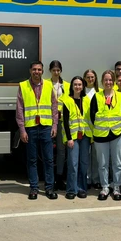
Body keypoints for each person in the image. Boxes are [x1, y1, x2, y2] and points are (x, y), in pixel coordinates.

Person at [16, 61, 59, 200]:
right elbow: (20, 109)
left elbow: (54, 106)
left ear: (42, 71)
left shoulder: (48, 85)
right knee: (32, 160)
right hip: (30, 128)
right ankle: (34, 188)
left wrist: (54, 126)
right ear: (30, 71)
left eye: (39, 69)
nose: (37, 72)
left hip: (46, 127)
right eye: (34, 69)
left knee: (48, 159)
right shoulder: (23, 85)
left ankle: (49, 188)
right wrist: (22, 130)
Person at [89, 70, 121, 201]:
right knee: (103, 163)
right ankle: (105, 187)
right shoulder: (97, 96)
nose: (108, 82)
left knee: (117, 163)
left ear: (114, 81)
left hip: (117, 134)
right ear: (102, 81)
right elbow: (92, 115)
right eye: (106, 80)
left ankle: (116, 187)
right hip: (101, 135)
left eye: (110, 80)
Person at [62, 76, 91, 199]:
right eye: (75, 84)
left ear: (83, 86)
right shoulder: (67, 100)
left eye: (80, 84)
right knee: (73, 164)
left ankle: (81, 188)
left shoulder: (87, 100)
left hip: (85, 136)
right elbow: (65, 122)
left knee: (84, 163)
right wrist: (69, 138)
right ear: (71, 86)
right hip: (72, 137)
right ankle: (71, 189)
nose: (77, 87)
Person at [47, 60, 70, 191]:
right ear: (50, 71)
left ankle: (60, 177)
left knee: (61, 151)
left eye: (58, 70)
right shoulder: (46, 84)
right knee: (48, 151)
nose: (56, 72)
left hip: (61, 120)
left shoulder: (66, 85)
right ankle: (49, 178)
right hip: (49, 120)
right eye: (54, 70)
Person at [83, 69, 100, 190]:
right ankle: (87, 179)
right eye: (88, 77)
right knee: (86, 156)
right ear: (84, 78)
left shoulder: (100, 92)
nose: (90, 79)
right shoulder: (81, 92)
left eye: (92, 77)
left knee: (97, 157)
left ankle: (96, 179)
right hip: (85, 129)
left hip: (98, 129)